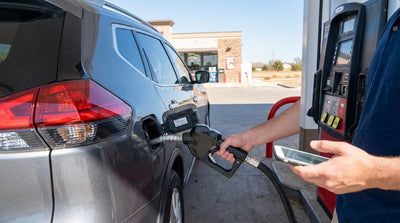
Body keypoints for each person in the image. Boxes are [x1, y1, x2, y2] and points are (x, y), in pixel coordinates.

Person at [217, 8, 400, 223]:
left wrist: (372, 173)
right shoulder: (394, 23)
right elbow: (327, 104)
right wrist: (249, 138)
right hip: (351, 208)